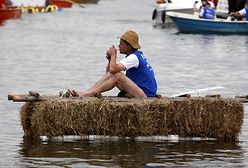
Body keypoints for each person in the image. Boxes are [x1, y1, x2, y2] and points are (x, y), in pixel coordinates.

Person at [68, 30, 158, 98]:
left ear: (129, 46)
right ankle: (88, 91)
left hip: (145, 95)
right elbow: (110, 73)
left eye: (121, 44)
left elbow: (113, 71)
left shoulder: (134, 57)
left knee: (117, 76)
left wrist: (114, 55)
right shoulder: (131, 56)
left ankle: (90, 93)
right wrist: (110, 60)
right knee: (115, 75)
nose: (119, 46)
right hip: (138, 90)